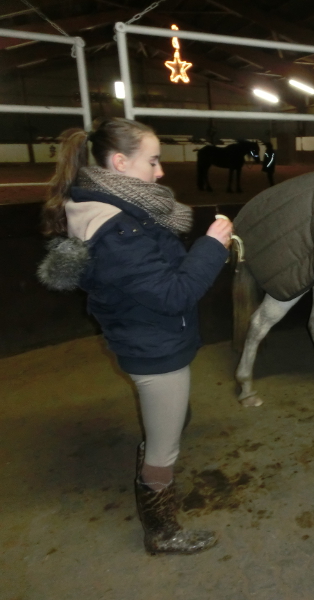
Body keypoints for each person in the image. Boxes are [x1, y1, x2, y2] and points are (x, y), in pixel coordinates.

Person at [37, 118, 233, 555]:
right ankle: (161, 531)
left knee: (174, 418)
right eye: (153, 161)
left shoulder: (118, 208)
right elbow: (172, 294)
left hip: (148, 336)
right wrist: (212, 246)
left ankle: (157, 443)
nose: (161, 172)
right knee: (165, 448)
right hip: (153, 346)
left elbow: (157, 275)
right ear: (121, 163)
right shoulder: (118, 229)